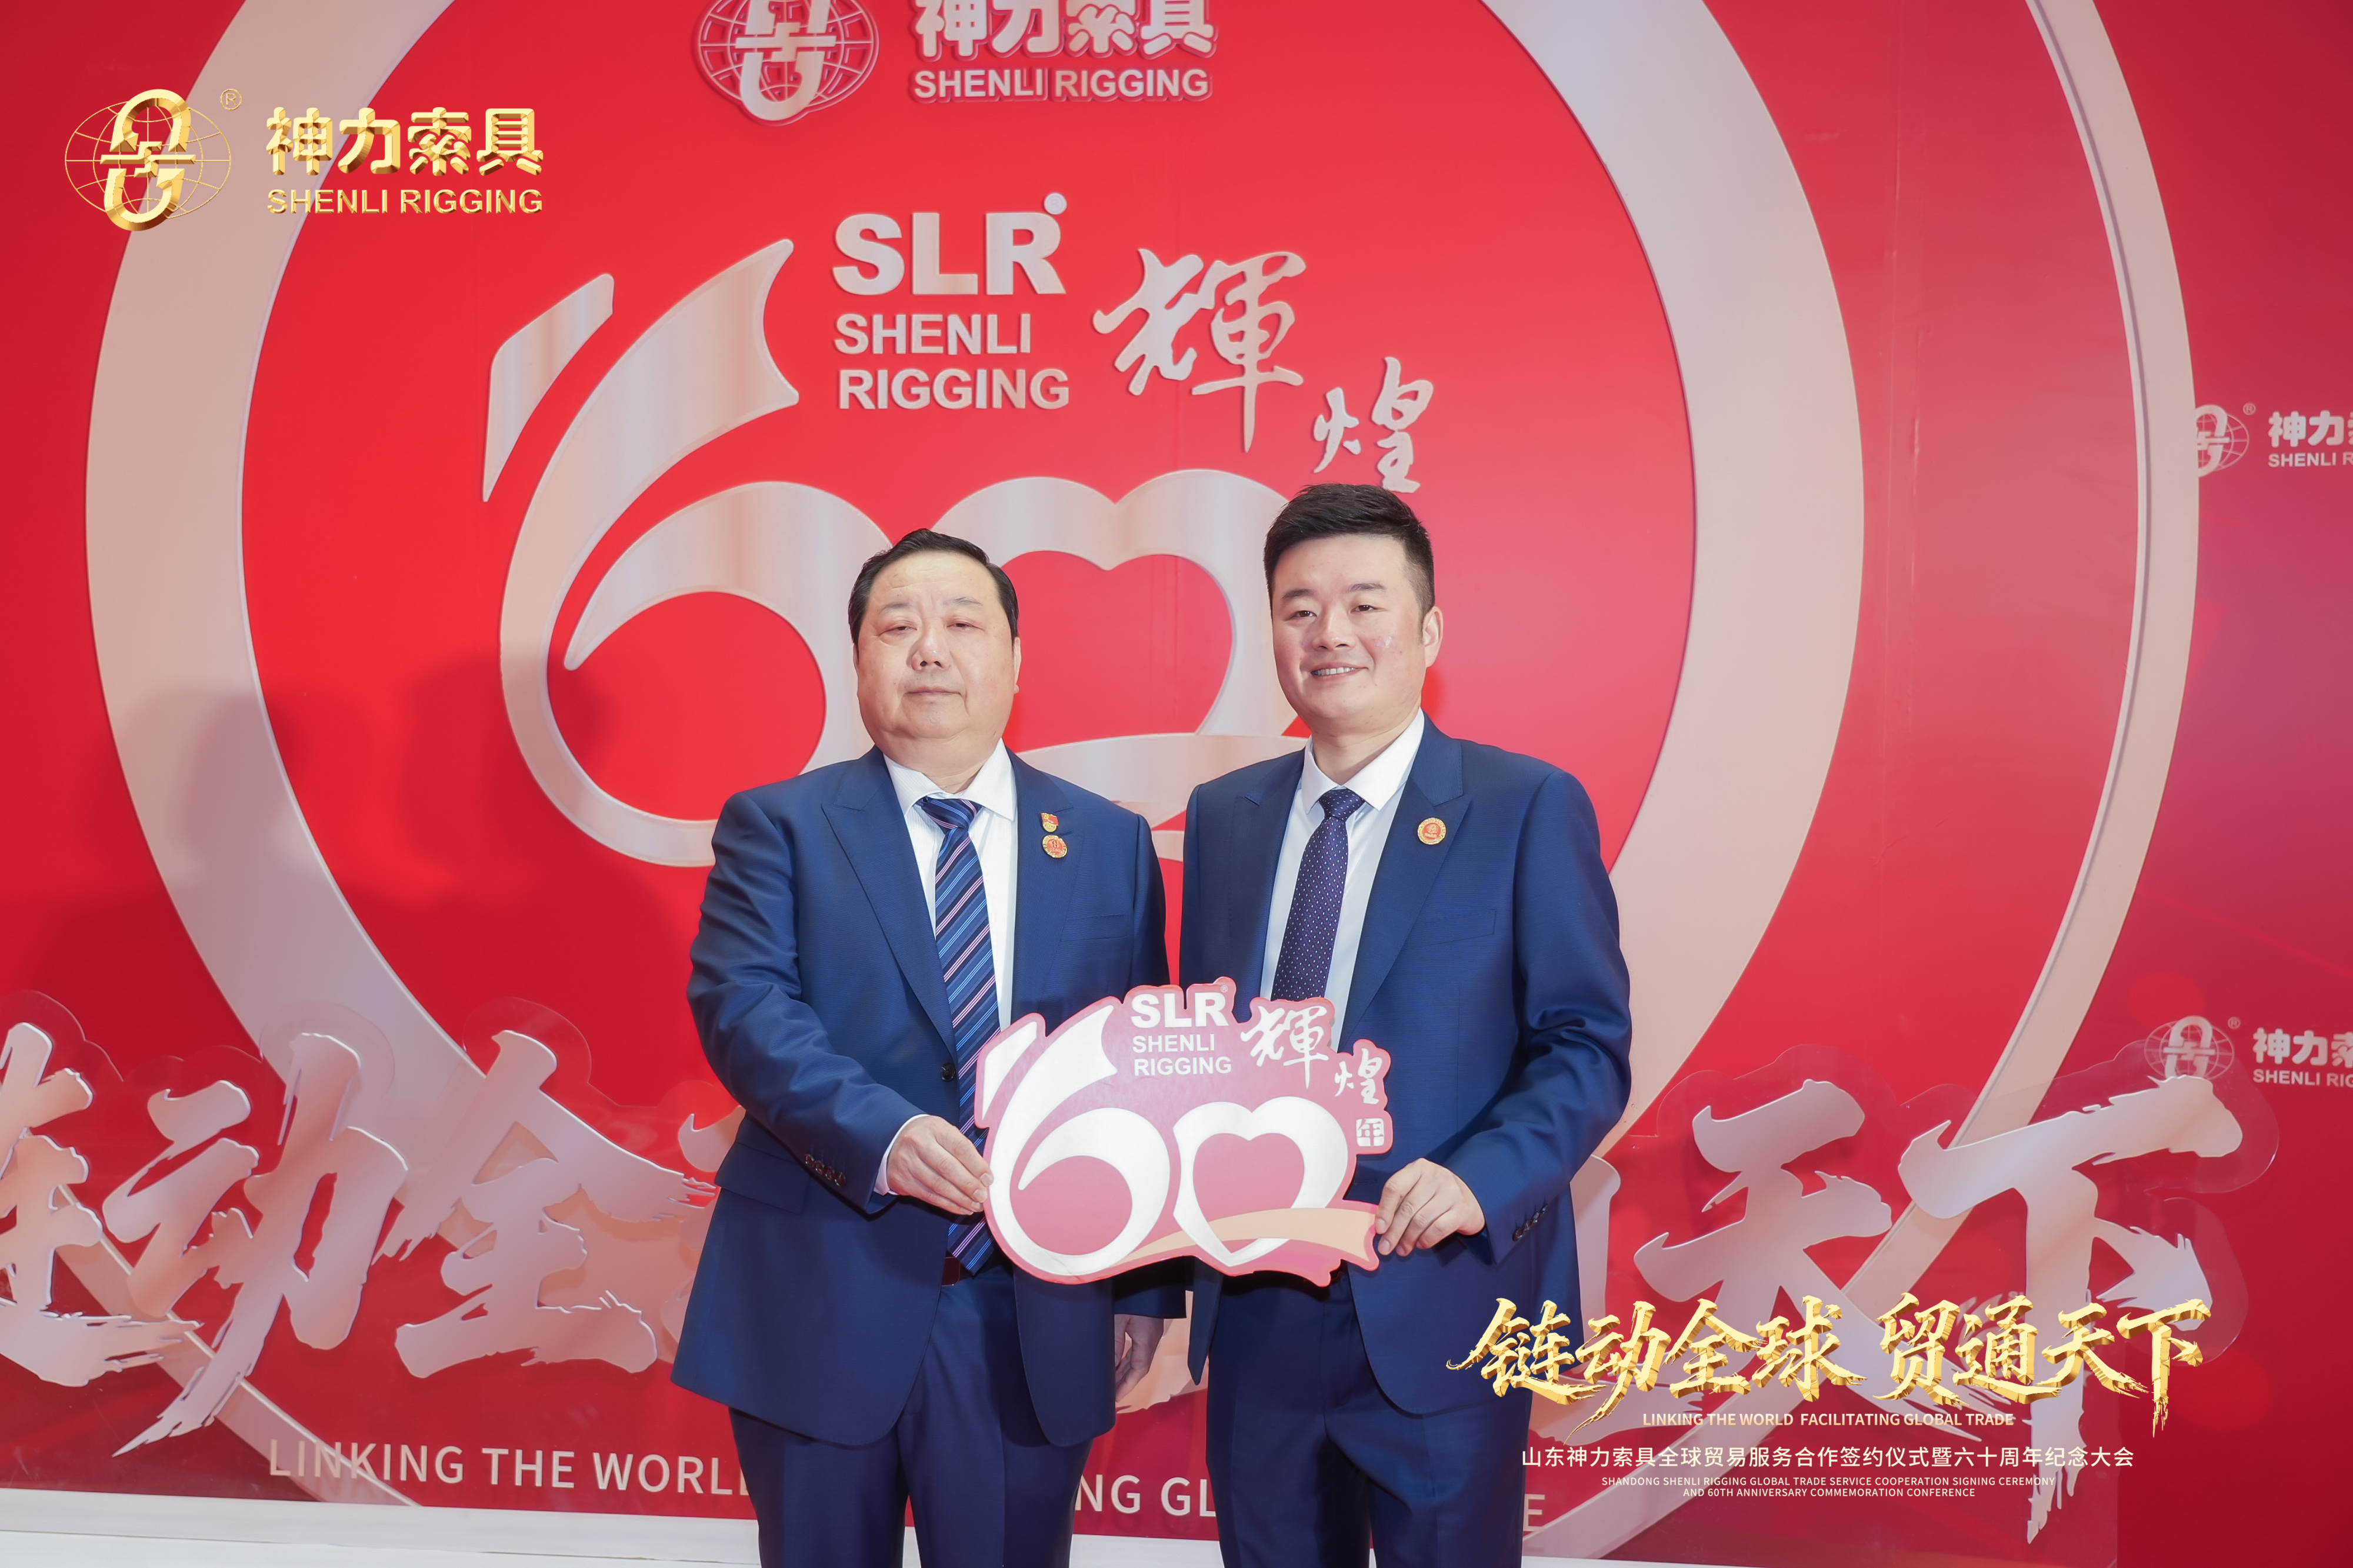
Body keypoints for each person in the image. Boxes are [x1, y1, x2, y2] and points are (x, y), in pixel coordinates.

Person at [675, 529, 1181, 1568]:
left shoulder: (1109, 842)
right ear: (858, 660)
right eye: (896, 626)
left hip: (1030, 1309)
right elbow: (745, 1009)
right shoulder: (779, 826)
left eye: (962, 623)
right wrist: (885, 1134)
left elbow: (1140, 1067)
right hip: (821, 1289)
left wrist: (1140, 1286)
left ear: (1016, 658)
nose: (930, 649)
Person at [1178, 484, 1632, 1566]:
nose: (1329, 632)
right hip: (1260, 1303)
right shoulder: (1224, 816)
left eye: (1363, 604)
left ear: (1427, 631)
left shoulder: (1525, 805)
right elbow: (1200, 1047)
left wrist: (1480, 1177)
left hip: (1443, 1297)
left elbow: (1585, 1043)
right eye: (1298, 608)